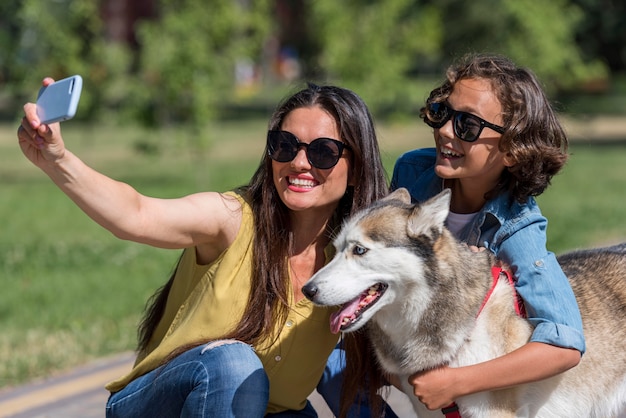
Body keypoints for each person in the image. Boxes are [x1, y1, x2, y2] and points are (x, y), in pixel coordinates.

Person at [17, 81, 390, 417]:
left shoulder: (356, 265)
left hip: (269, 410)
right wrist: (58, 159)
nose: (298, 162)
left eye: (323, 152)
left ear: (356, 169)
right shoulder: (232, 218)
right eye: (285, 145)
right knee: (233, 363)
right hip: (159, 408)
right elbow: (135, 213)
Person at [338, 53, 586, 415]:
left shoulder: (518, 228)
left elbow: (565, 342)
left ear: (513, 150)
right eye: (443, 112)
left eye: (467, 125)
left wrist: (456, 383)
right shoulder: (413, 172)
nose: (444, 130)